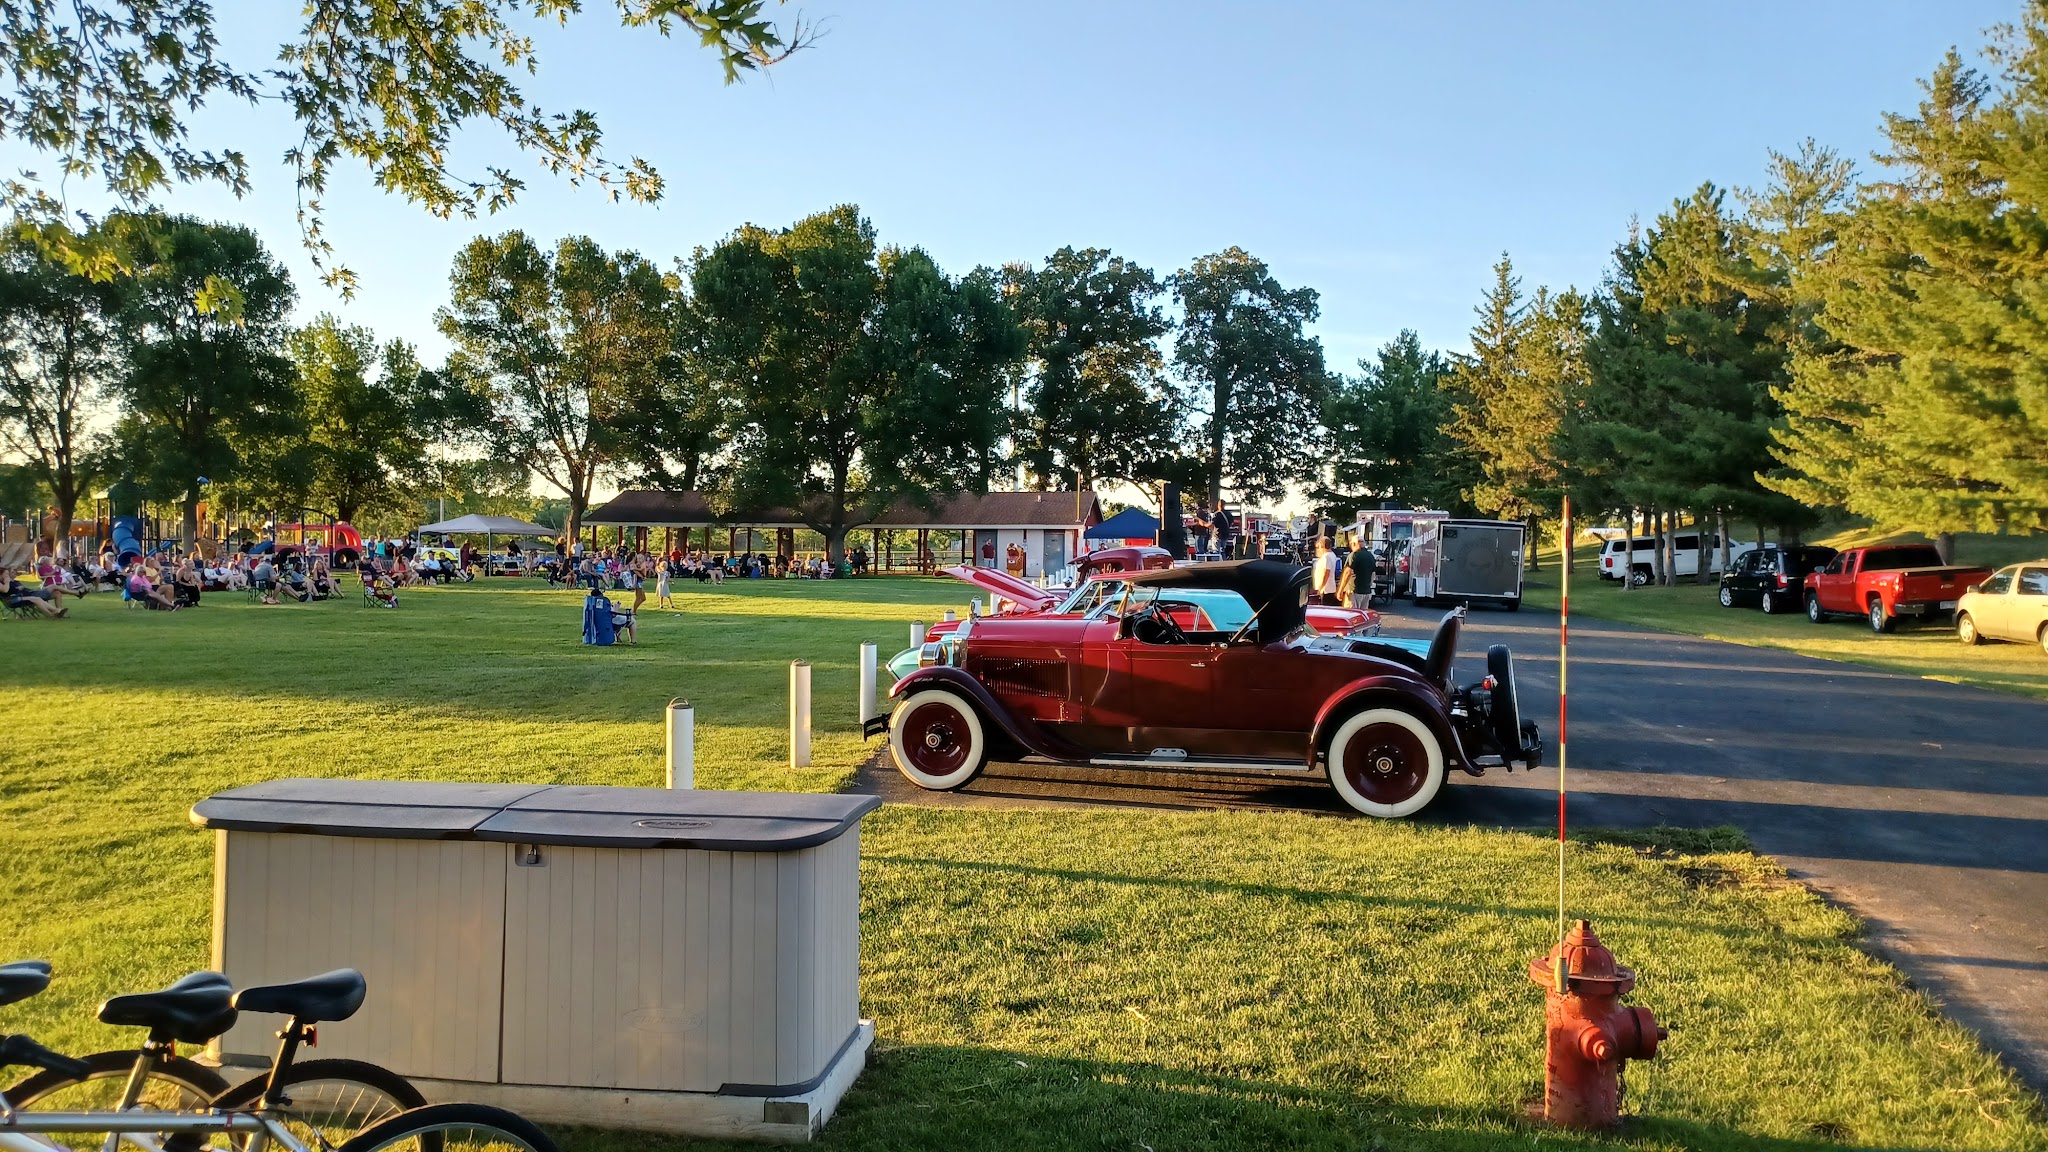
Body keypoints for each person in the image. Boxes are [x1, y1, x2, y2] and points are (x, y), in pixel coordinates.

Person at [1346, 537, 1375, 610]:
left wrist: (1341, 589)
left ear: (1354, 544)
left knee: (1352, 614)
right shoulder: (1370, 556)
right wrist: (1369, 585)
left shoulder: (1353, 555)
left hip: (1355, 590)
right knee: (1363, 614)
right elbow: (1373, 573)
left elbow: (1348, 573)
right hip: (1366, 591)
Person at [1310, 537, 1341, 607]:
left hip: (1325, 589)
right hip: (1329, 587)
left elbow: (1326, 573)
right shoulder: (1332, 555)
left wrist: (1321, 588)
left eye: (1318, 547)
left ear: (1322, 545)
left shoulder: (1326, 557)